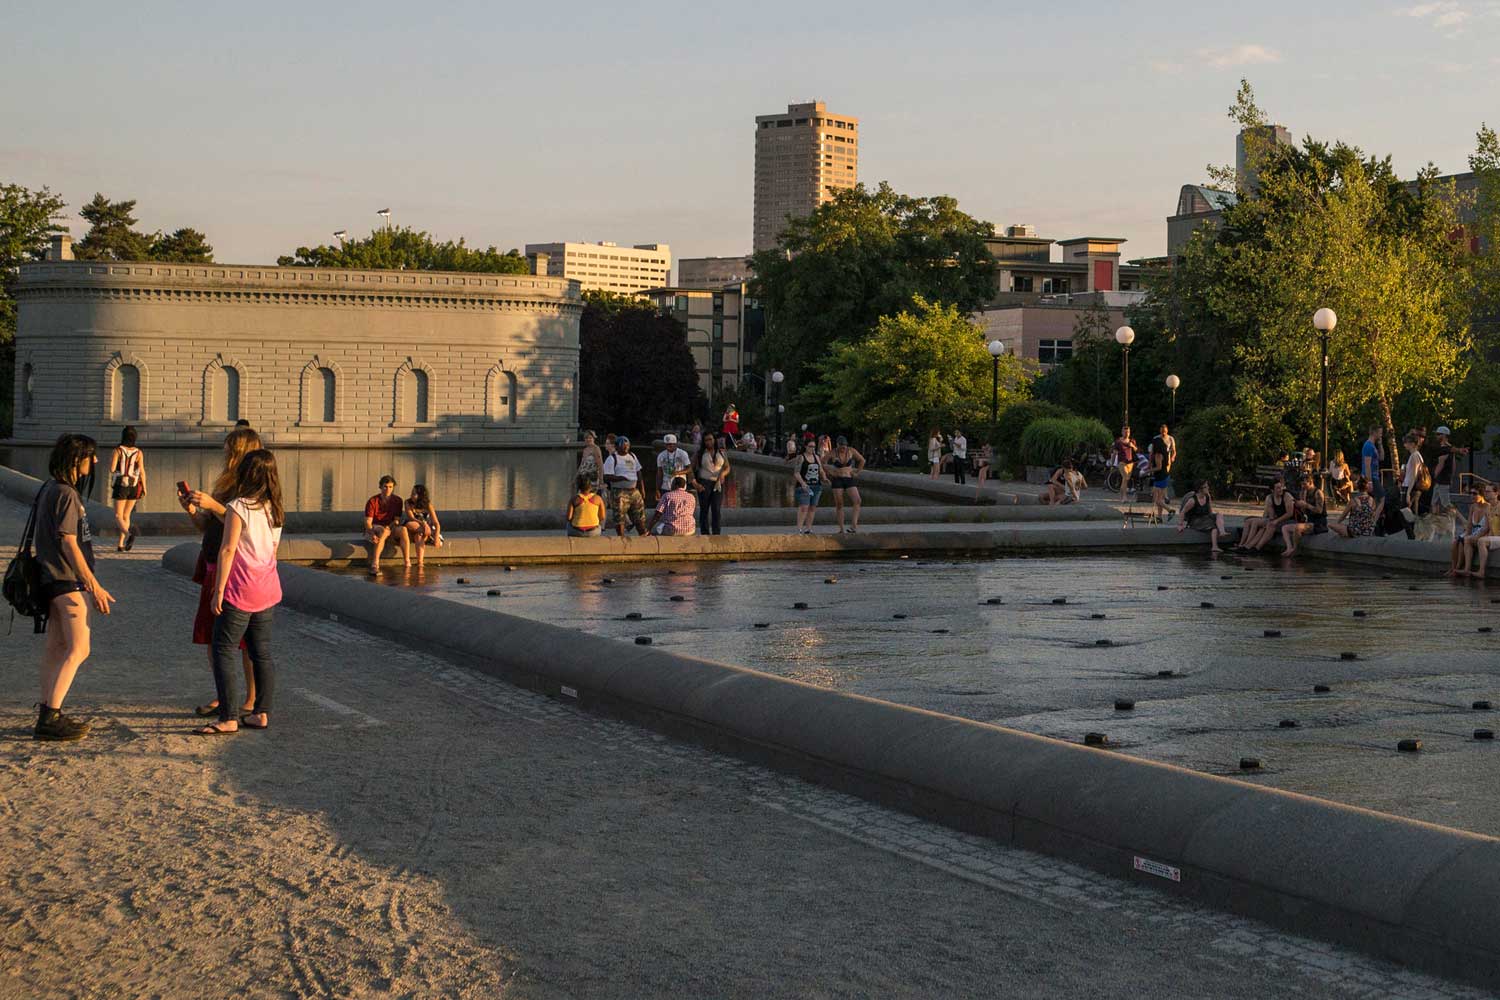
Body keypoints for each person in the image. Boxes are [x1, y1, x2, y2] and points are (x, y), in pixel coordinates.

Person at [30, 434, 114, 741]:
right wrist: (93, 585)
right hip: (68, 580)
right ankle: (51, 716)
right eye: (90, 456)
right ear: (75, 459)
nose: (94, 461)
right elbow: (68, 542)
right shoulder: (66, 494)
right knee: (80, 648)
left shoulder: (49, 487)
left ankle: (47, 711)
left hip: (50, 578)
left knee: (56, 648)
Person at [198, 448, 283, 735]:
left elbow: (227, 549)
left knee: (223, 648)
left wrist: (218, 590)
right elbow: (272, 549)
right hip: (267, 587)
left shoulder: (238, 506)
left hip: (240, 588)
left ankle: (228, 717)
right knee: (261, 652)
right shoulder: (274, 508)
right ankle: (262, 712)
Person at [181, 426, 262, 719]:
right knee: (213, 637)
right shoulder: (226, 483)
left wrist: (214, 505)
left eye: (230, 448)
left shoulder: (253, 487)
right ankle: (223, 694)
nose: (225, 453)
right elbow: (209, 526)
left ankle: (251, 699)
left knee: (241, 640)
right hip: (213, 562)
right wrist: (194, 511)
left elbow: (244, 524)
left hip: (236, 568)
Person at [108, 425, 146, 551]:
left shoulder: (118, 450)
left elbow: (112, 469)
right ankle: (120, 544)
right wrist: (144, 487)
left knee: (118, 516)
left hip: (121, 485)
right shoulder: (139, 452)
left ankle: (129, 534)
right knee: (127, 515)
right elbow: (142, 471)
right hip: (134, 486)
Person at [603, 436, 647, 537]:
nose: (626, 448)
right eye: (623, 446)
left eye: (627, 446)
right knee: (620, 517)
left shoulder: (632, 456)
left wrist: (642, 489)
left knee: (639, 516)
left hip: (634, 490)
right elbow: (606, 476)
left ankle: (643, 535)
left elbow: (638, 472)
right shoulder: (612, 458)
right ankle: (621, 537)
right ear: (617, 447)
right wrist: (621, 478)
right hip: (620, 491)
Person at [1236, 478, 1296, 552]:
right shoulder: (1270, 498)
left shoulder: (1287, 496)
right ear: (1272, 490)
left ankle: (1255, 547)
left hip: (1288, 520)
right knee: (1250, 521)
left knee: (1269, 525)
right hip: (1276, 519)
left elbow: (1290, 513)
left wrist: (1275, 521)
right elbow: (1271, 516)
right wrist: (1268, 520)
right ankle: (1243, 544)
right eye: (1278, 488)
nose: (1280, 489)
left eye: (1281, 487)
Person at [363, 475, 408, 574]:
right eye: (385, 487)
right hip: (375, 527)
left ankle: (407, 562)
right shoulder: (372, 501)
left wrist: (390, 527)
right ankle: (375, 564)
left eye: (390, 487)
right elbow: (368, 522)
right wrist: (372, 534)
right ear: (380, 487)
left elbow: (396, 520)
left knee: (403, 530)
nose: (388, 489)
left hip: (390, 527)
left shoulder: (398, 500)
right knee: (382, 531)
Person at [1448, 482, 1491, 576]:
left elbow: (1487, 527)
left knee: (1463, 541)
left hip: (1482, 532)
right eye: (1470, 493)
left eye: (1475, 493)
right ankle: (1453, 568)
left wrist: (1476, 536)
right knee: (1455, 542)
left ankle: (1458, 569)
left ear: (1482, 494)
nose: (1472, 496)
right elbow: (1469, 524)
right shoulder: (1473, 506)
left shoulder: (1488, 507)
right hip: (1472, 531)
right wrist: (1466, 533)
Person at [692, 432, 731, 536]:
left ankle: (716, 533)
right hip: (704, 482)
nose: (709, 442)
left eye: (710, 439)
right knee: (704, 509)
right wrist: (695, 483)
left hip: (718, 483)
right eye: (706, 440)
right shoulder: (699, 453)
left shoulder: (721, 452)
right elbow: (691, 468)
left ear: (714, 440)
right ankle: (705, 532)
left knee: (716, 509)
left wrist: (723, 474)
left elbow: (727, 467)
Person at [827, 436, 866, 534]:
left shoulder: (851, 451)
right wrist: (829, 472)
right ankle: (841, 529)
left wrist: (857, 472)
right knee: (839, 504)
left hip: (848, 478)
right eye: (841, 447)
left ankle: (853, 525)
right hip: (837, 479)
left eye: (844, 447)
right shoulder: (833, 452)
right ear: (838, 445)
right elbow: (822, 462)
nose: (843, 449)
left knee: (857, 500)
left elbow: (862, 460)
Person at [1281, 480, 1328, 557]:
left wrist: (1306, 505)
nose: (1303, 486)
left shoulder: (1318, 493)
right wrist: (1300, 505)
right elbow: (1305, 512)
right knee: (1285, 528)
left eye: (1304, 484)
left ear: (1311, 482)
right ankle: (1289, 548)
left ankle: (1295, 549)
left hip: (1319, 523)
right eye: (1301, 484)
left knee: (1297, 527)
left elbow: (1319, 510)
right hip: (1309, 521)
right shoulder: (1304, 492)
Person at [1177, 481, 1226, 553]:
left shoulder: (1207, 496)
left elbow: (1210, 509)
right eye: (1206, 487)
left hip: (1205, 517)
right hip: (1195, 520)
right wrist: (1180, 524)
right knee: (1214, 528)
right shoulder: (1192, 500)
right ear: (1200, 489)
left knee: (1219, 514)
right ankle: (1214, 547)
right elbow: (1183, 512)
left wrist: (1212, 518)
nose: (1208, 488)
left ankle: (1222, 532)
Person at [1430, 426, 1469, 515]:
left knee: (1445, 503)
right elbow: (1453, 464)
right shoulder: (1450, 447)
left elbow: (1441, 464)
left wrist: (1433, 477)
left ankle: (1463, 521)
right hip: (1443, 479)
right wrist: (1451, 477)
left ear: (1444, 435)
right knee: (1434, 502)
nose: (1436, 436)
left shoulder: (1444, 448)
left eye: (1438, 434)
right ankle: (1436, 521)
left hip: (1442, 479)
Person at [403, 484, 442, 565]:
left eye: (414, 494)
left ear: (421, 495)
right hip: (416, 526)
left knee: (419, 536)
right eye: (412, 493)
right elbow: (411, 517)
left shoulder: (428, 505)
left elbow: (436, 523)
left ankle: (420, 562)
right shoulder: (408, 502)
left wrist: (437, 536)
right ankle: (430, 534)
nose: (412, 495)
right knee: (410, 524)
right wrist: (424, 524)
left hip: (424, 531)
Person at [793, 438, 824, 533]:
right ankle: (799, 528)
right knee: (804, 507)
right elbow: (796, 473)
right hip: (804, 486)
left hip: (816, 486)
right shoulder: (801, 457)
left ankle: (809, 528)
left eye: (814, 447)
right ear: (805, 446)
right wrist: (803, 483)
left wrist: (824, 477)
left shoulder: (817, 457)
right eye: (810, 446)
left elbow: (821, 469)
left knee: (813, 507)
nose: (812, 448)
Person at [1401, 433, 1429, 516]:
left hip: (1410, 487)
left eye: (1406, 442)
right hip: (1413, 487)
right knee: (1410, 513)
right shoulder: (1417, 455)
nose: (1404, 445)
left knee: (1406, 513)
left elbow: (1414, 475)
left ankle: (1412, 528)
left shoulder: (1414, 456)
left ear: (1412, 444)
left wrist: (1408, 493)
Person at [1148, 427, 1172, 522]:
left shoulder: (1158, 454)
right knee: (1160, 499)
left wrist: (1148, 471)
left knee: (1156, 499)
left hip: (1160, 477)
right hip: (1165, 475)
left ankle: (1170, 510)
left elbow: (1158, 467)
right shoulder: (1164, 452)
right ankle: (1159, 517)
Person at [1111, 426, 1138, 501]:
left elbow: (1136, 450)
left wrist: (1132, 446)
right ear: (1122, 432)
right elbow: (1114, 454)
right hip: (1122, 462)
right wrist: (1112, 464)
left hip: (1130, 463)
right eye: (1125, 432)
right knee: (1126, 478)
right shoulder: (1118, 442)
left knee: (1125, 479)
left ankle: (1121, 496)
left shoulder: (1132, 441)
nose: (1127, 433)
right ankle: (1124, 497)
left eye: (1128, 432)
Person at [1360, 426, 1384, 497]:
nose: (1381, 435)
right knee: (1382, 497)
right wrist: (1369, 482)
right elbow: (1367, 465)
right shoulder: (1368, 446)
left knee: (1376, 499)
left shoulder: (1373, 446)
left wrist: (1380, 444)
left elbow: (1382, 458)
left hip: (1375, 476)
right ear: (1374, 433)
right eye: (1380, 433)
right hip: (1370, 477)